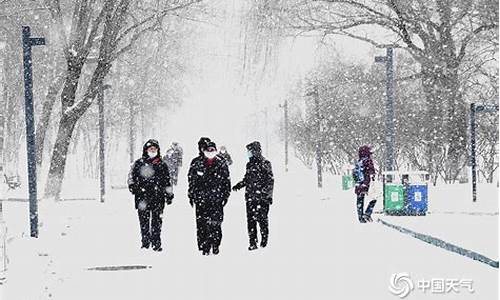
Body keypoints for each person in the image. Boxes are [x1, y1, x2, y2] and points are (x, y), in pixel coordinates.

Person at [128, 139, 174, 251]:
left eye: (155, 149)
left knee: (157, 222)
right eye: (150, 149)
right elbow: (131, 178)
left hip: (158, 198)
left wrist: (169, 194)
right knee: (143, 222)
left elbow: (167, 181)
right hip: (142, 198)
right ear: (146, 150)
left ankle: (156, 243)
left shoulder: (162, 165)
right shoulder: (139, 164)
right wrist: (134, 188)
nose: (152, 151)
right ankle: (145, 242)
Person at [188, 139, 231, 255]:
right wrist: (192, 195)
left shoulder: (221, 163)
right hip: (201, 200)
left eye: (213, 150)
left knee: (216, 223)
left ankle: (216, 244)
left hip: (217, 200)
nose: (210, 152)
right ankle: (204, 246)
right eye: (208, 150)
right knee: (202, 224)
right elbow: (191, 181)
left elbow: (226, 182)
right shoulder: (197, 163)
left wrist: (225, 196)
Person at [232, 141, 274, 251]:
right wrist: (240, 185)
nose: (248, 154)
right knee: (251, 221)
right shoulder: (249, 164)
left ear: (255, 151)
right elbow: (247, 179)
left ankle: (264, 242)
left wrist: (267, 195)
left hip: (262, 199)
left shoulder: (265, 163)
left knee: (262, 220)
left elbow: (270, 181)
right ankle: (252, 242)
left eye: (249, 151)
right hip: (250, 197)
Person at [353, 145, 376, 223]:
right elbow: (372, 172)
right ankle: (367, 213)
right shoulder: (368, 160)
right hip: (366, 184)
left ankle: (360, 217)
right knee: (375, 198)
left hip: (359, 185)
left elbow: (354, 174)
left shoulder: (359, 161)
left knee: (360, 201)